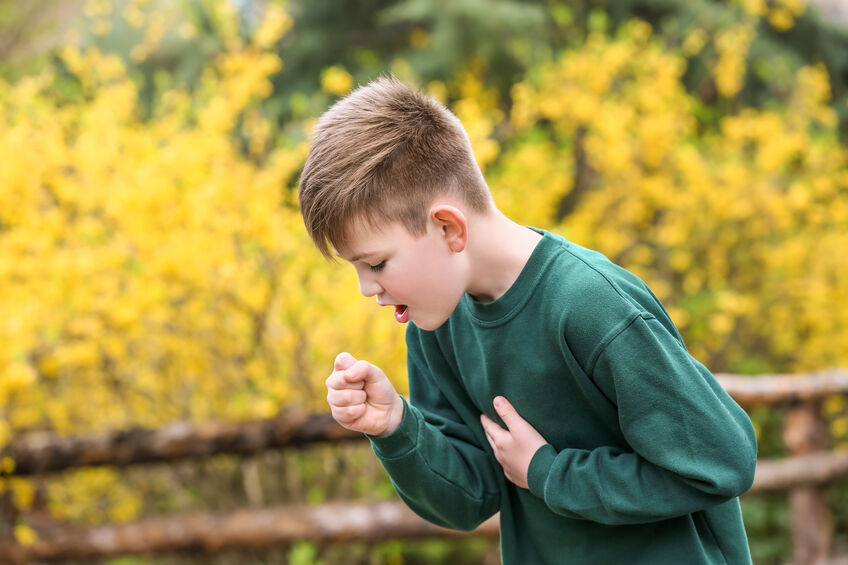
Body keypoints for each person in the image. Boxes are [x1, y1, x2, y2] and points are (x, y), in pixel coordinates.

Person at [298, 76, 758, 564]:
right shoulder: (436, 328)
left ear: (448, 227)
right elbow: (471, 498)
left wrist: (550, 473)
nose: (367, 289)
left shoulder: (591, 305)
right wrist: (396, 427)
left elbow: (722, 462)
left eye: (376, 264)